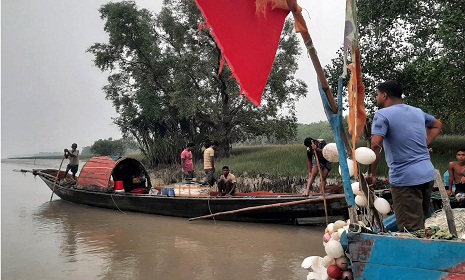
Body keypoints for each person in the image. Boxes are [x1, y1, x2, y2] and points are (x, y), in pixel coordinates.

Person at [367, 80, 442, 232]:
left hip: (405, 179)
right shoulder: (417, 112)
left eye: (377, 95)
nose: (377, 98)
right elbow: (437, 125)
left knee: (411, 229)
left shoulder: (382, 115)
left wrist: (371, 173)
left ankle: (418, 254)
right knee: (421, 221)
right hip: (427, 175)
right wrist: (423, 144)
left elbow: (375, 145)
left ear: (384, 95)